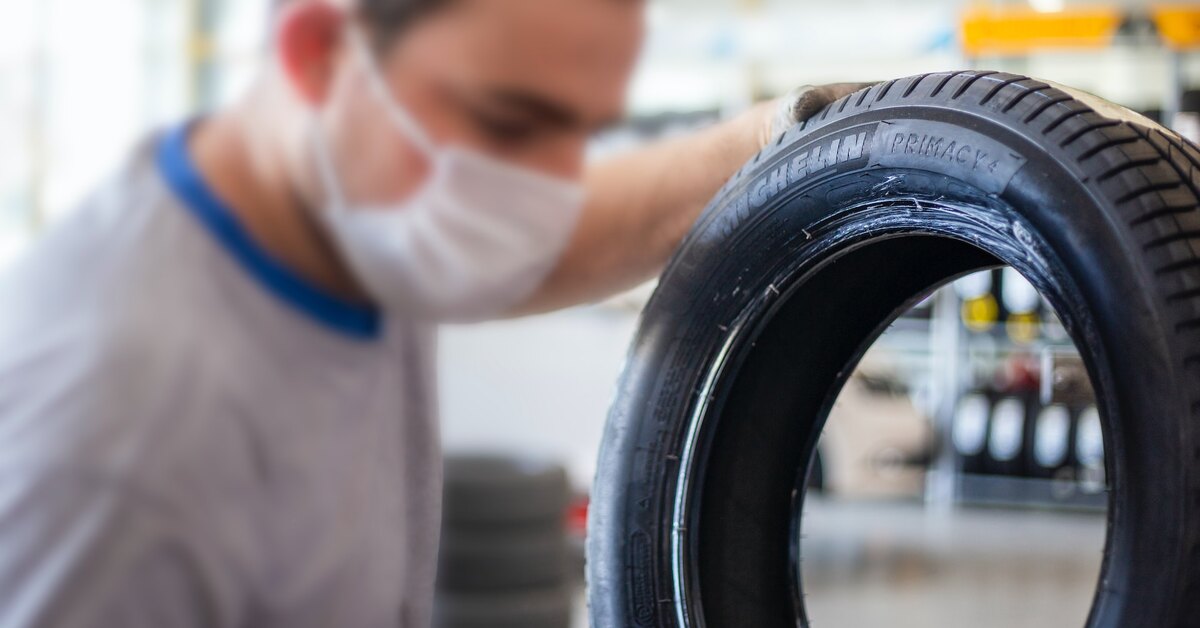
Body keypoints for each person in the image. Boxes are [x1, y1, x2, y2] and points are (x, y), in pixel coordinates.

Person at [0, 0, 866, 626]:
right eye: (510, 122)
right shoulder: (117, 433)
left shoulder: (358, 216)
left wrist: (781, 135)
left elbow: (585, 226)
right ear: (318, 54)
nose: (547, 180)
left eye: (576, 128)